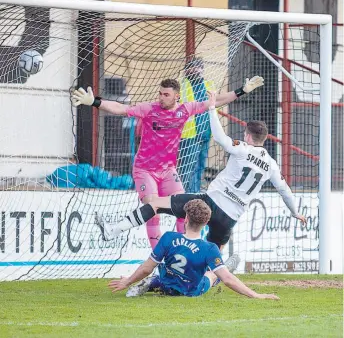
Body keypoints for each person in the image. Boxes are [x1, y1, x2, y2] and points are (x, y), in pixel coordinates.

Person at [95, 91, 307, 252]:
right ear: (265, 140)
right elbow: (285, 190)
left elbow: (220, 138)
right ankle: (210, 279)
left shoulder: (243, 148)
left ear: (248, 136)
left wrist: (212, 108)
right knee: (214, 254)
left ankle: (114, 229)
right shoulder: (271, 164)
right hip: (231, 217)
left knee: (155, 204)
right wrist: (295, 212)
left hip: (211, 202)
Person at [72, 76, 264, 249]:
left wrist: (242, 90)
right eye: (160, 93)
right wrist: (95, 102)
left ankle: (183, 250)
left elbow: (216, 101)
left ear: (176, 97)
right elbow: (121, 108)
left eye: (166, 94)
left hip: (167, 171)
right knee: (152, 209)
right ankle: (157, 257)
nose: (161, 97)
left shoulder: (185, 109)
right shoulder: (149, 109)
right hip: (145, 170)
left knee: (187, 209)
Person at [108, 199, 279, 300]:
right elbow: (228, 280)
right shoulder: (210, 248)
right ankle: (226, 265)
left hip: (166, 283)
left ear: (186, 218)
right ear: (206, 223)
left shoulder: (168, 237)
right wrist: (257, 295)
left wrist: (128, 280)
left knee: (158, 276)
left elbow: (147, 267)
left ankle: (150, 283)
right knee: (213, 275)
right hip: (192, 291)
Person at [178, 57, 212, 193]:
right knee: (188, 169)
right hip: (189, 135)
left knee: (200, 168)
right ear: (187, 70)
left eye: (198, 67)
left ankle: (196, 194)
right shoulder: (181, 86)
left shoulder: (209, 84)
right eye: (192, 67)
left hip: (205, 133)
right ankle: (188, 196)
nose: (195, 70)